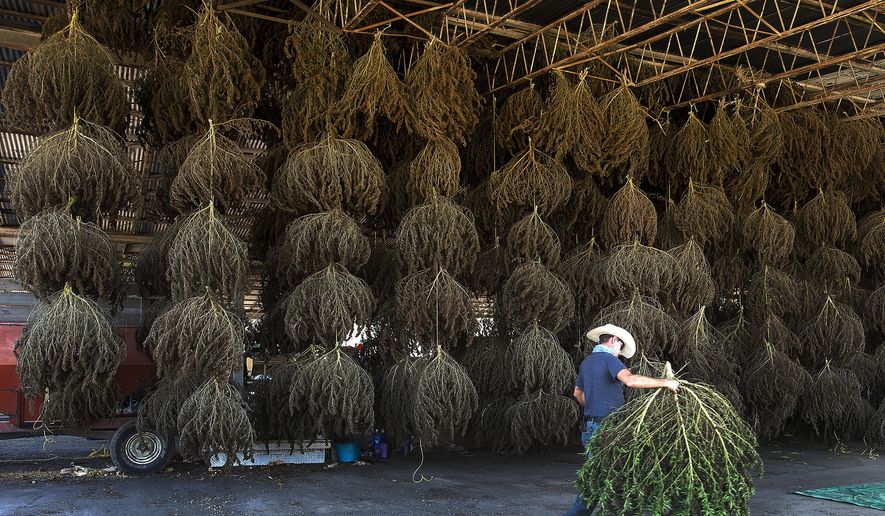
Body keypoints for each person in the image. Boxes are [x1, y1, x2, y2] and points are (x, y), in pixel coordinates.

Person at [566, 324, 680, 516]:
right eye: (620, 347)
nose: (620, 353)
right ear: (614, 340)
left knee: (603, 476)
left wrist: (594, 405)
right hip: (606, 428)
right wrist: (666, 383)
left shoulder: (587, 362)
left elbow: (577, 393)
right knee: (603, 479)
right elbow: (630, 380)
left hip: (590, 427)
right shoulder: (609, 360)